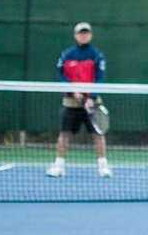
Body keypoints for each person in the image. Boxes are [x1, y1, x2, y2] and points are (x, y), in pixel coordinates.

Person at [46, 22, 111, 178]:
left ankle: (103, 167)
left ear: (90, 35)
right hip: (70, 102)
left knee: (98, 134)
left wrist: (91, 97)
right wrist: (72, 90)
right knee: (64, 134)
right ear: (75, 35)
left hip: (92, 102)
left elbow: (100, 78)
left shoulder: (97, 55)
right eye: (81, 33)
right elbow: (60, 76)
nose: (84, 35)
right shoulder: (66, 54)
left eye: (86, 33)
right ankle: (59, 166)